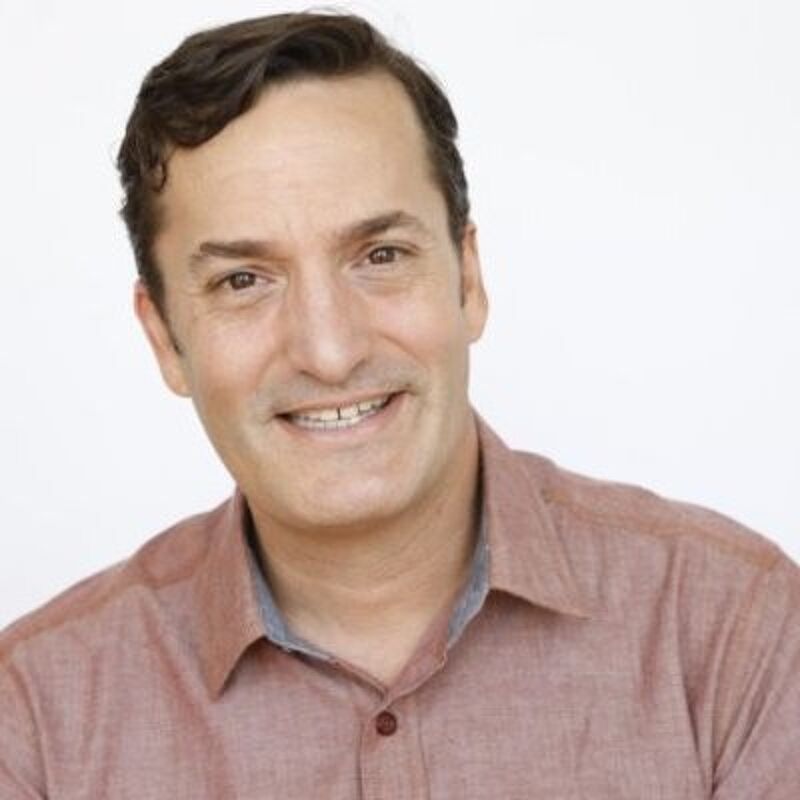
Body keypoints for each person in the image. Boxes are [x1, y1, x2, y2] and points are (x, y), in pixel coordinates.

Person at [1, 11, 798, 798]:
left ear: (468, 281)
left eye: (380, 255)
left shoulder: (736, 635)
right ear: (166, 339)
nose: (330, 349)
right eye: (243, 280)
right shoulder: (34, 717)